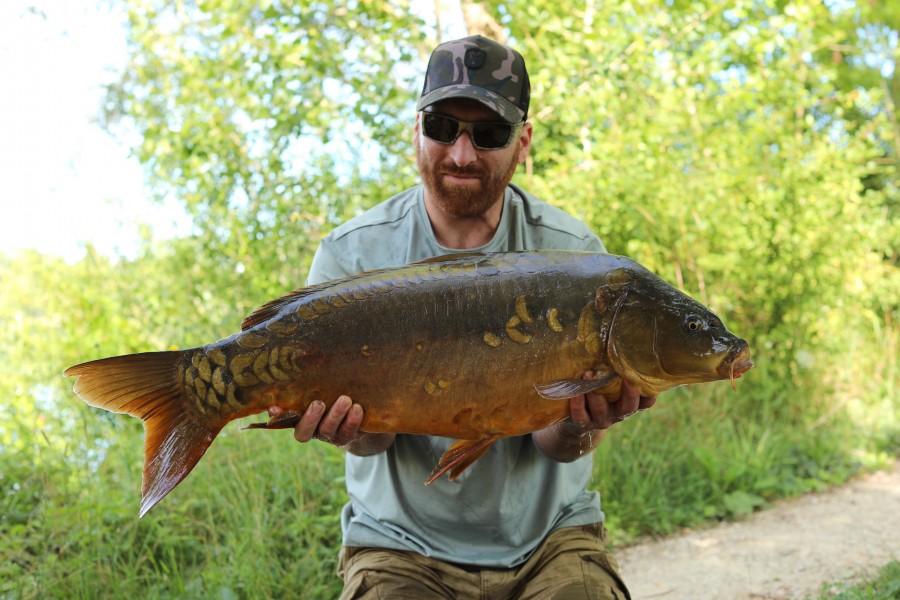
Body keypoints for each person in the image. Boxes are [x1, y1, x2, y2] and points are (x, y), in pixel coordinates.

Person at [271, 35, 656, 599]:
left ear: (522, 142)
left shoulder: (575, 258)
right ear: (417, 132)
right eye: (443, 128)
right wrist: (348, 431)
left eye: (490, 134)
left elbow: (557, 443)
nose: (461, 154)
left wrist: (582, 419)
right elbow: (371, 448)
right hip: (398, 546)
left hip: (549, 541)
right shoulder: (352, 255)